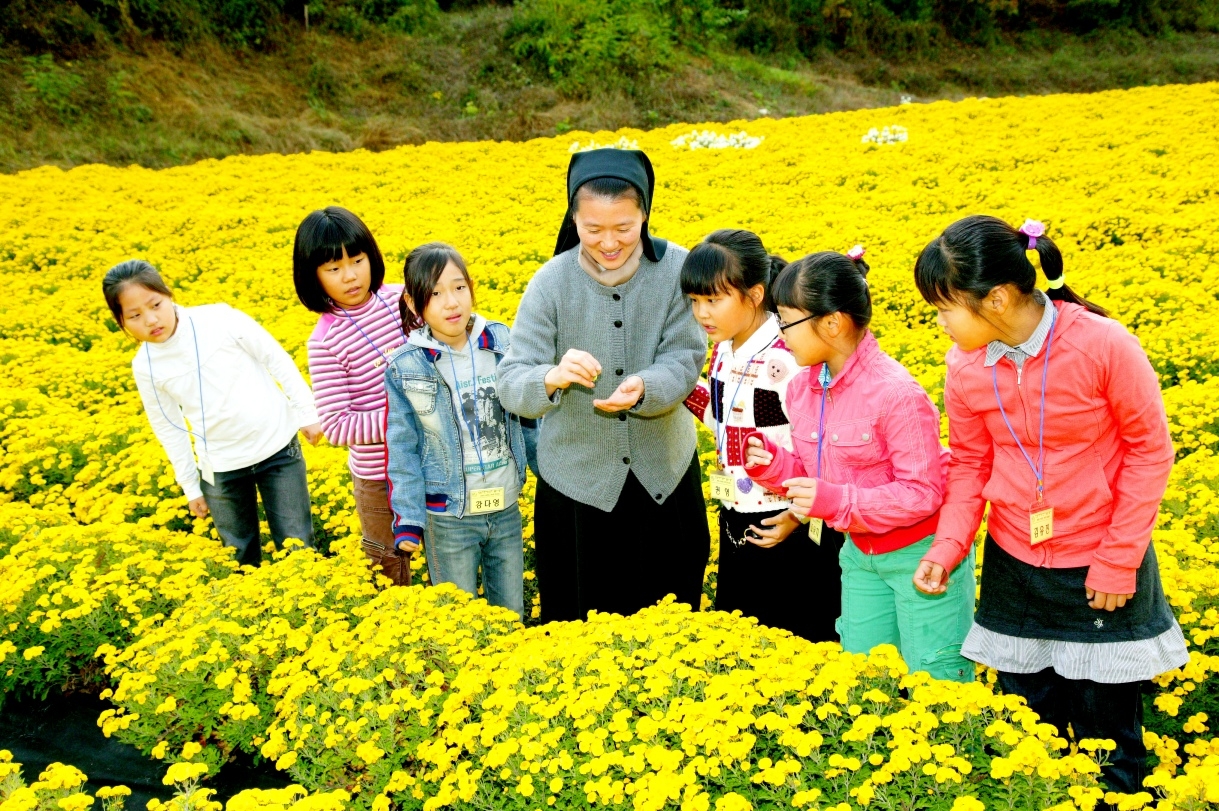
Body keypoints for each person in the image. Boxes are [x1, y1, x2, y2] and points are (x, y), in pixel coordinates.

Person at [911, 215, 1187, 792]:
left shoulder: (1102, 344)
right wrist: (948, 546)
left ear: (997, 298)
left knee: (1108, 737)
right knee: (1030, 731)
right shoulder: (965, 365)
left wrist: (1118, 561)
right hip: (1015, 562)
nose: (939, 322)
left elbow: (1150, 452)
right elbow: (970, 464)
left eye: (945, 308)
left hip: (1101, 564)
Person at [498, 147, 710, 622]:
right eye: (592, 229)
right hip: (577, 487)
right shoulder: (550, 282)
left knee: (672, 619)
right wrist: (550, 377)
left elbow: (685, 355)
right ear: (573, 218)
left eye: (624, 228)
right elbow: (511, 379)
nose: (608, 242)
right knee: (580, 623)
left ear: (645, 215)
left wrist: (646, 386)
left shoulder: (678, 269)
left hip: (663, 477)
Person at [743, 246, 973, 681]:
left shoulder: (896, 393)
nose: (781, 336)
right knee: (865, 676)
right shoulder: (802, 389)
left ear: (831, 323)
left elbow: (922, 493)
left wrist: (836, 500)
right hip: (860, 553)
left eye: (786, 322)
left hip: (921, 554)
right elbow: (817, 479)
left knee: (936, 677)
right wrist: (774, 466)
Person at [103, 259, 322, 566]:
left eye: (155, 305)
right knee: (239, 556)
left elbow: (274, 357)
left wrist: (307, 412)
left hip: (277, 448)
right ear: (121, 322)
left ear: (168, 294)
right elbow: (168, 427)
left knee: (298, 547)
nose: (151, 320)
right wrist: (190, 486)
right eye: (135, 316)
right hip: (220, 467)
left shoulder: (219, 318)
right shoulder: (145, 366)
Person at [681, 229, 842, 641]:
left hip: (788, 521)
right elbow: (725, 420)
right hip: (739, 514)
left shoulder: (788, 356)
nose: (701, 313)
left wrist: (797, 516)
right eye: (694, 301)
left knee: (796, 638)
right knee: (745, 639)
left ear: (754, 295)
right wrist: (674, 386)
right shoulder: (725, 349)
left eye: (713, 300)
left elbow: (824, 448)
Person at [384, 243, 534, 619]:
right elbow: (402, 448)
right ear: (413, 304)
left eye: (458, 287)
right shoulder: (406, 366)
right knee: (457, 618)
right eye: (435, 294)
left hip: (504, 506)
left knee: (510, 613)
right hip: (449, 515)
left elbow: (530, 418)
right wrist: (408, 520)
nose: (451, 302)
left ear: (471, 287)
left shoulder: (501, 342)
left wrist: (554, 479)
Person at [294, 206, 409, 584]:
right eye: (333, 268)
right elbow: (336, 425)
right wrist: (404, 416)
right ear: (312, 276)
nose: (350, 275)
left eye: (357, 261)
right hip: (379, 478)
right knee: (389, 562)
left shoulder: (403, 298)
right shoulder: (325, 341)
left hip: (431, 460)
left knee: (446, 547)